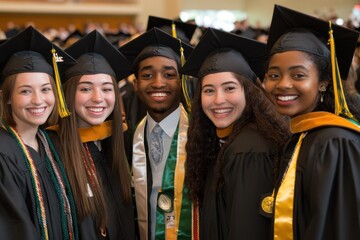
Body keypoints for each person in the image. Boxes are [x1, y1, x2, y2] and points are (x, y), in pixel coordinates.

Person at [181, 28, 290, 240]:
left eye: (229, 88)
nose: (218, 100)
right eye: (209, 90)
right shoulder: (227, 139)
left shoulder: (249, 151)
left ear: (248, 92)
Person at [263, 5, 360, 240]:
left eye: (298, 75)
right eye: (274, 75)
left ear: (324, 82)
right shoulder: (303, 133)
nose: (283, 84)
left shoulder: (335, 142)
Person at [50, 30, 135, 239]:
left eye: (107, 89)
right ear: (68, 93)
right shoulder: (51, 152)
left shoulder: (119, 140)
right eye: (86, 89)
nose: (98, 98)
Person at [0, 26, 78, 239]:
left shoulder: (50, 143)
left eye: (45, 89)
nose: (38, 100)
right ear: (7, 97)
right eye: (25, 91)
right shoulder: (4, 154)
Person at [119, 27, 195, 240]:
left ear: (182, 81)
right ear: (135, 84)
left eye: (169, 74)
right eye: (147, 75)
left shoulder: (202, 136)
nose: (158, 83)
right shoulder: (127, 139)